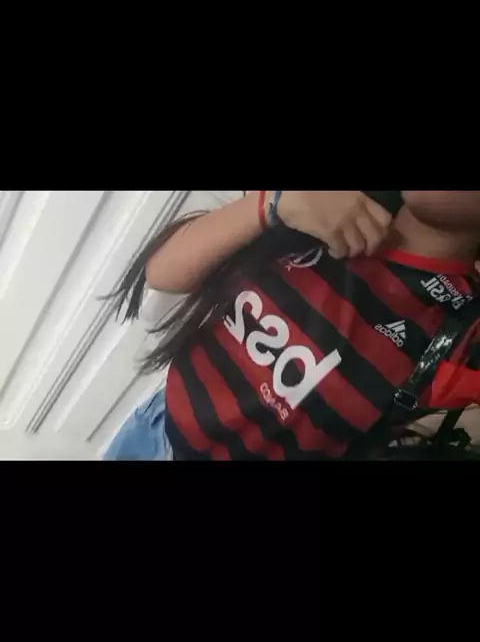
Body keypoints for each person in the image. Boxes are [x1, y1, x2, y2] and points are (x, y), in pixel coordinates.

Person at [104, 190, 480, 462]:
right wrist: (277, 203)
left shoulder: (465, 329)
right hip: (151, 432)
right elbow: (161, 273)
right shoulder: (326, 203)